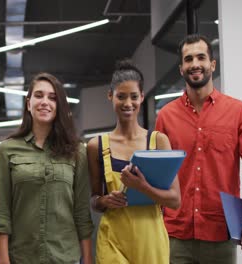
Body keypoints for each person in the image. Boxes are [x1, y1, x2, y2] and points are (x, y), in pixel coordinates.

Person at [155, 34, 242, 263]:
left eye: (201, 57)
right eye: (188, 59)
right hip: (174, 237)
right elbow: (158, 177)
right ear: (181, 68)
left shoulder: (238, 112)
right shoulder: (166, 116)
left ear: (212, 64)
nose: (195, 64)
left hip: (220, 235)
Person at [0, 73, 94, 264]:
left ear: (59, 106)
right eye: (39, 95)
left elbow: (82, 213)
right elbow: (1, 215)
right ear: (28, 103)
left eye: (52, 97)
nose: (45, 102)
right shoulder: (7, 150)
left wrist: (87, 260)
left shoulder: (77, 151)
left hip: (65, 258)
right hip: (21, 258)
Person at [87, 60, 181, 264]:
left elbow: (175, 200)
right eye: (121, 96)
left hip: (150, 240)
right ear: (110, 96)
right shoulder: (96, 146)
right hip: (112, 239)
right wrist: (104, 201)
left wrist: (142, 187)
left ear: (142, 97)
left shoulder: (158, 142)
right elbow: (94, 199)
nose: (127, 103)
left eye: (133, 96)